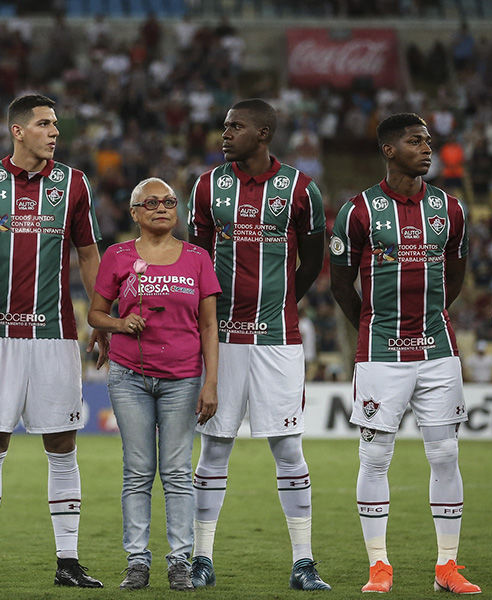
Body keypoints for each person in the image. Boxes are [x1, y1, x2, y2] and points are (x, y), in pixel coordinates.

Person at [0, 93, 107, 588]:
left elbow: (88, 255)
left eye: (56, 124)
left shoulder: (73, 182)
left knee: (62, 444)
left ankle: (67, 562)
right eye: (44, 124)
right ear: (18, 131)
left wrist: (100, 319)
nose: (54, 131)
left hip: (56, 334)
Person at [329, 113, 480, 594]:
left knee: (445, 453)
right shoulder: (357, 210)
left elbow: (454, 276)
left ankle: (446, 567)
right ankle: (379, 566)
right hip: (380, 353)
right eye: (416, 141)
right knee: (374, 459)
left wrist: (426, 319)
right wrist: (376, 326)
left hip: (438, 350)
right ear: (389, 150)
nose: (427, 148)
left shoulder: (450, 209)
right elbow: (339, 283)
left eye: (429, 141)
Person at [186, 98, 330, 591]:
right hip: (221, 340)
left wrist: (283, 302)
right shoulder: (207, 186)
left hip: (278, 340)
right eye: (224, 126)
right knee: (215, 448)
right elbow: (196, 262)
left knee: (289, 448)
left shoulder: (300, 190)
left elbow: (311, 262)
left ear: (264, 132)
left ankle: (304, 563)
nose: (224, 134)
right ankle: (201, 558)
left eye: (235, 127)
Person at [88, 177, 219, 591]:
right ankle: (137, 561)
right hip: (129, 376)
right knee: (138, 470)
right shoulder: (117, 255)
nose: (162, 208)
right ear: (134, 213)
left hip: (183, 378)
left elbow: (210, 325)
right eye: (151, 203)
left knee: (178, 471)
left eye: (169, 202)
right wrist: (120, 324)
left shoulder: (198, 257)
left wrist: (210, 382)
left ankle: (180, 560)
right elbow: (95, 315)